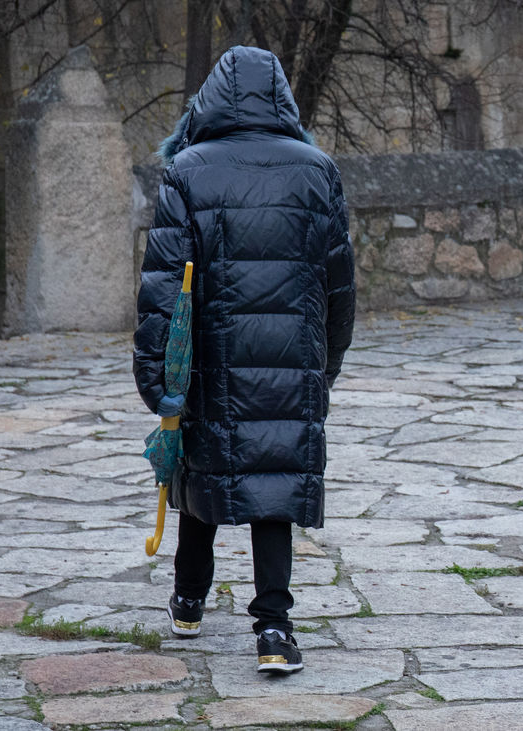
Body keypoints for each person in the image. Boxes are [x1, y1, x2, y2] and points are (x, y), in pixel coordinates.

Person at [133, 45, 355, 674]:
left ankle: (187, 601)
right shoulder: (318, 171)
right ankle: (274, 631)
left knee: (200, 478)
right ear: (280, 96)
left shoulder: (187, 170)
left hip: (211, 362)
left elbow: (161, 288)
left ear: (211, 98)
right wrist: (326, 363)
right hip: (292, 360)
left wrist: (157, 377)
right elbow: (340, 285)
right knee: (274, 487)